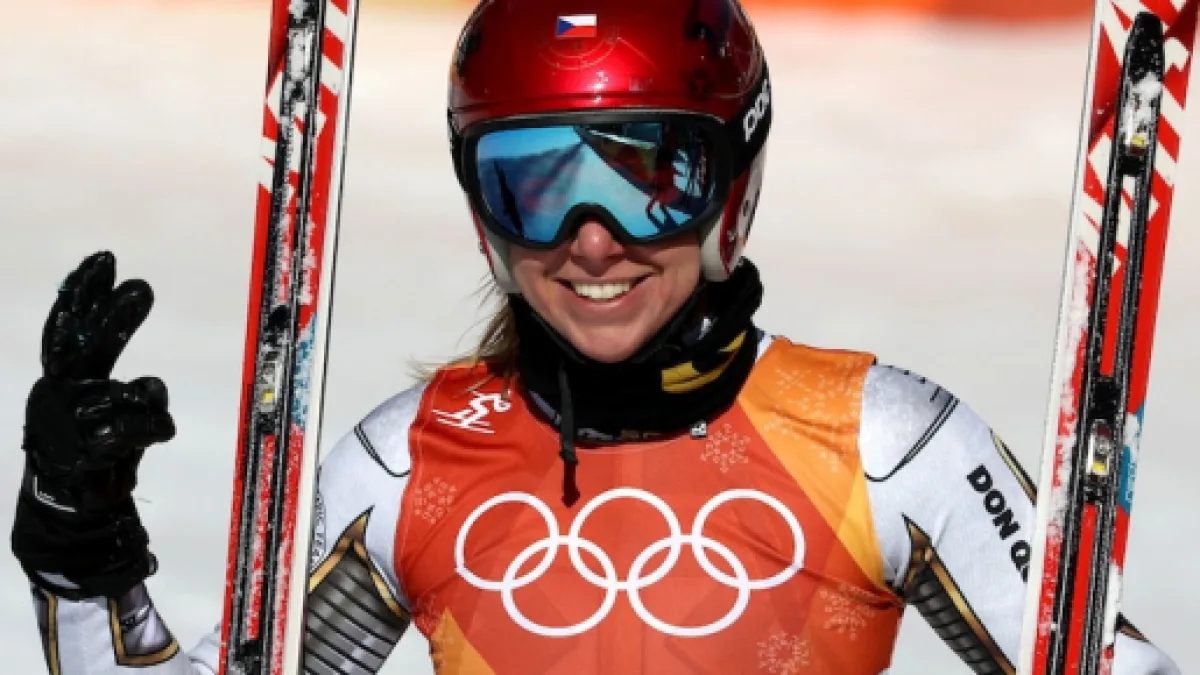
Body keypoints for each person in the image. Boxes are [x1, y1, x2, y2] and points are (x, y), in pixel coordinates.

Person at [9, 0, 1181, 672]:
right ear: (482, 211)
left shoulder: (882, 445)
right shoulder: (411, 461)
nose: (591, 241)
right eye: (531, 182)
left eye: (646, 177)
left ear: (730, 188)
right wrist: (79, 537)